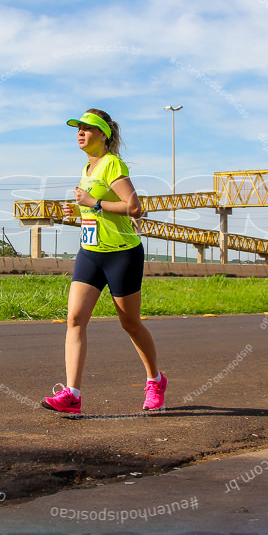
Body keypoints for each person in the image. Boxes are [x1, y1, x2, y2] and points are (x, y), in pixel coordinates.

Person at [42, 109, 166, 415]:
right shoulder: (87, 168)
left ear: (104, 135)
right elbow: (95, 213)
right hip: (90, 253)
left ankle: (155, 380)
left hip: (122, 253)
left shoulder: (112, 164)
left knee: (130, 323)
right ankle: (72, 395)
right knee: (74, 319)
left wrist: (93, 203)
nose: (80, 133)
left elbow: (135, 208)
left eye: (88, 128)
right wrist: (79, 213)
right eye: (78, 128)